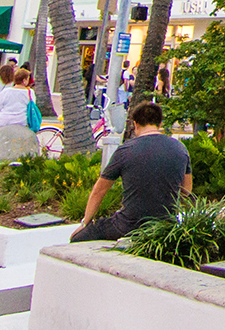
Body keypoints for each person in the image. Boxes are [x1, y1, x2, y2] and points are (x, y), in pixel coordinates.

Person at [72, 101, 193, 242]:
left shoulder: (125, 150)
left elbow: (99, 190)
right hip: (165, 226)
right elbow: (186, 191)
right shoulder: (180, 149)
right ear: (160, 124)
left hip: (127, 226)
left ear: (135, 124)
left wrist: (84, 223)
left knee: (78, 238)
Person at [0, 65, 35, 133]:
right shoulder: (30, 92)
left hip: (3, 120)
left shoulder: (6, 91)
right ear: (24, 80)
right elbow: (32, 106)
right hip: (21, 120)